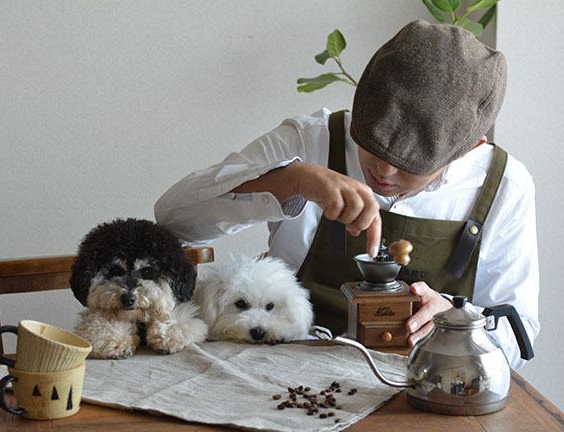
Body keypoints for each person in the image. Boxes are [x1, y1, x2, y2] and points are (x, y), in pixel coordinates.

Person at [154, 20, 539, 369]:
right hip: (287, 368)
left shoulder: (504, 186)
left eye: (409, 165)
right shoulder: (311, 141)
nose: (383, 172)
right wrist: (289, 181)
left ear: (470, 148)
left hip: (425, 385)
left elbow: (518, 337)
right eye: (370, 146)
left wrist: (461, 322)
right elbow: (174, 219)